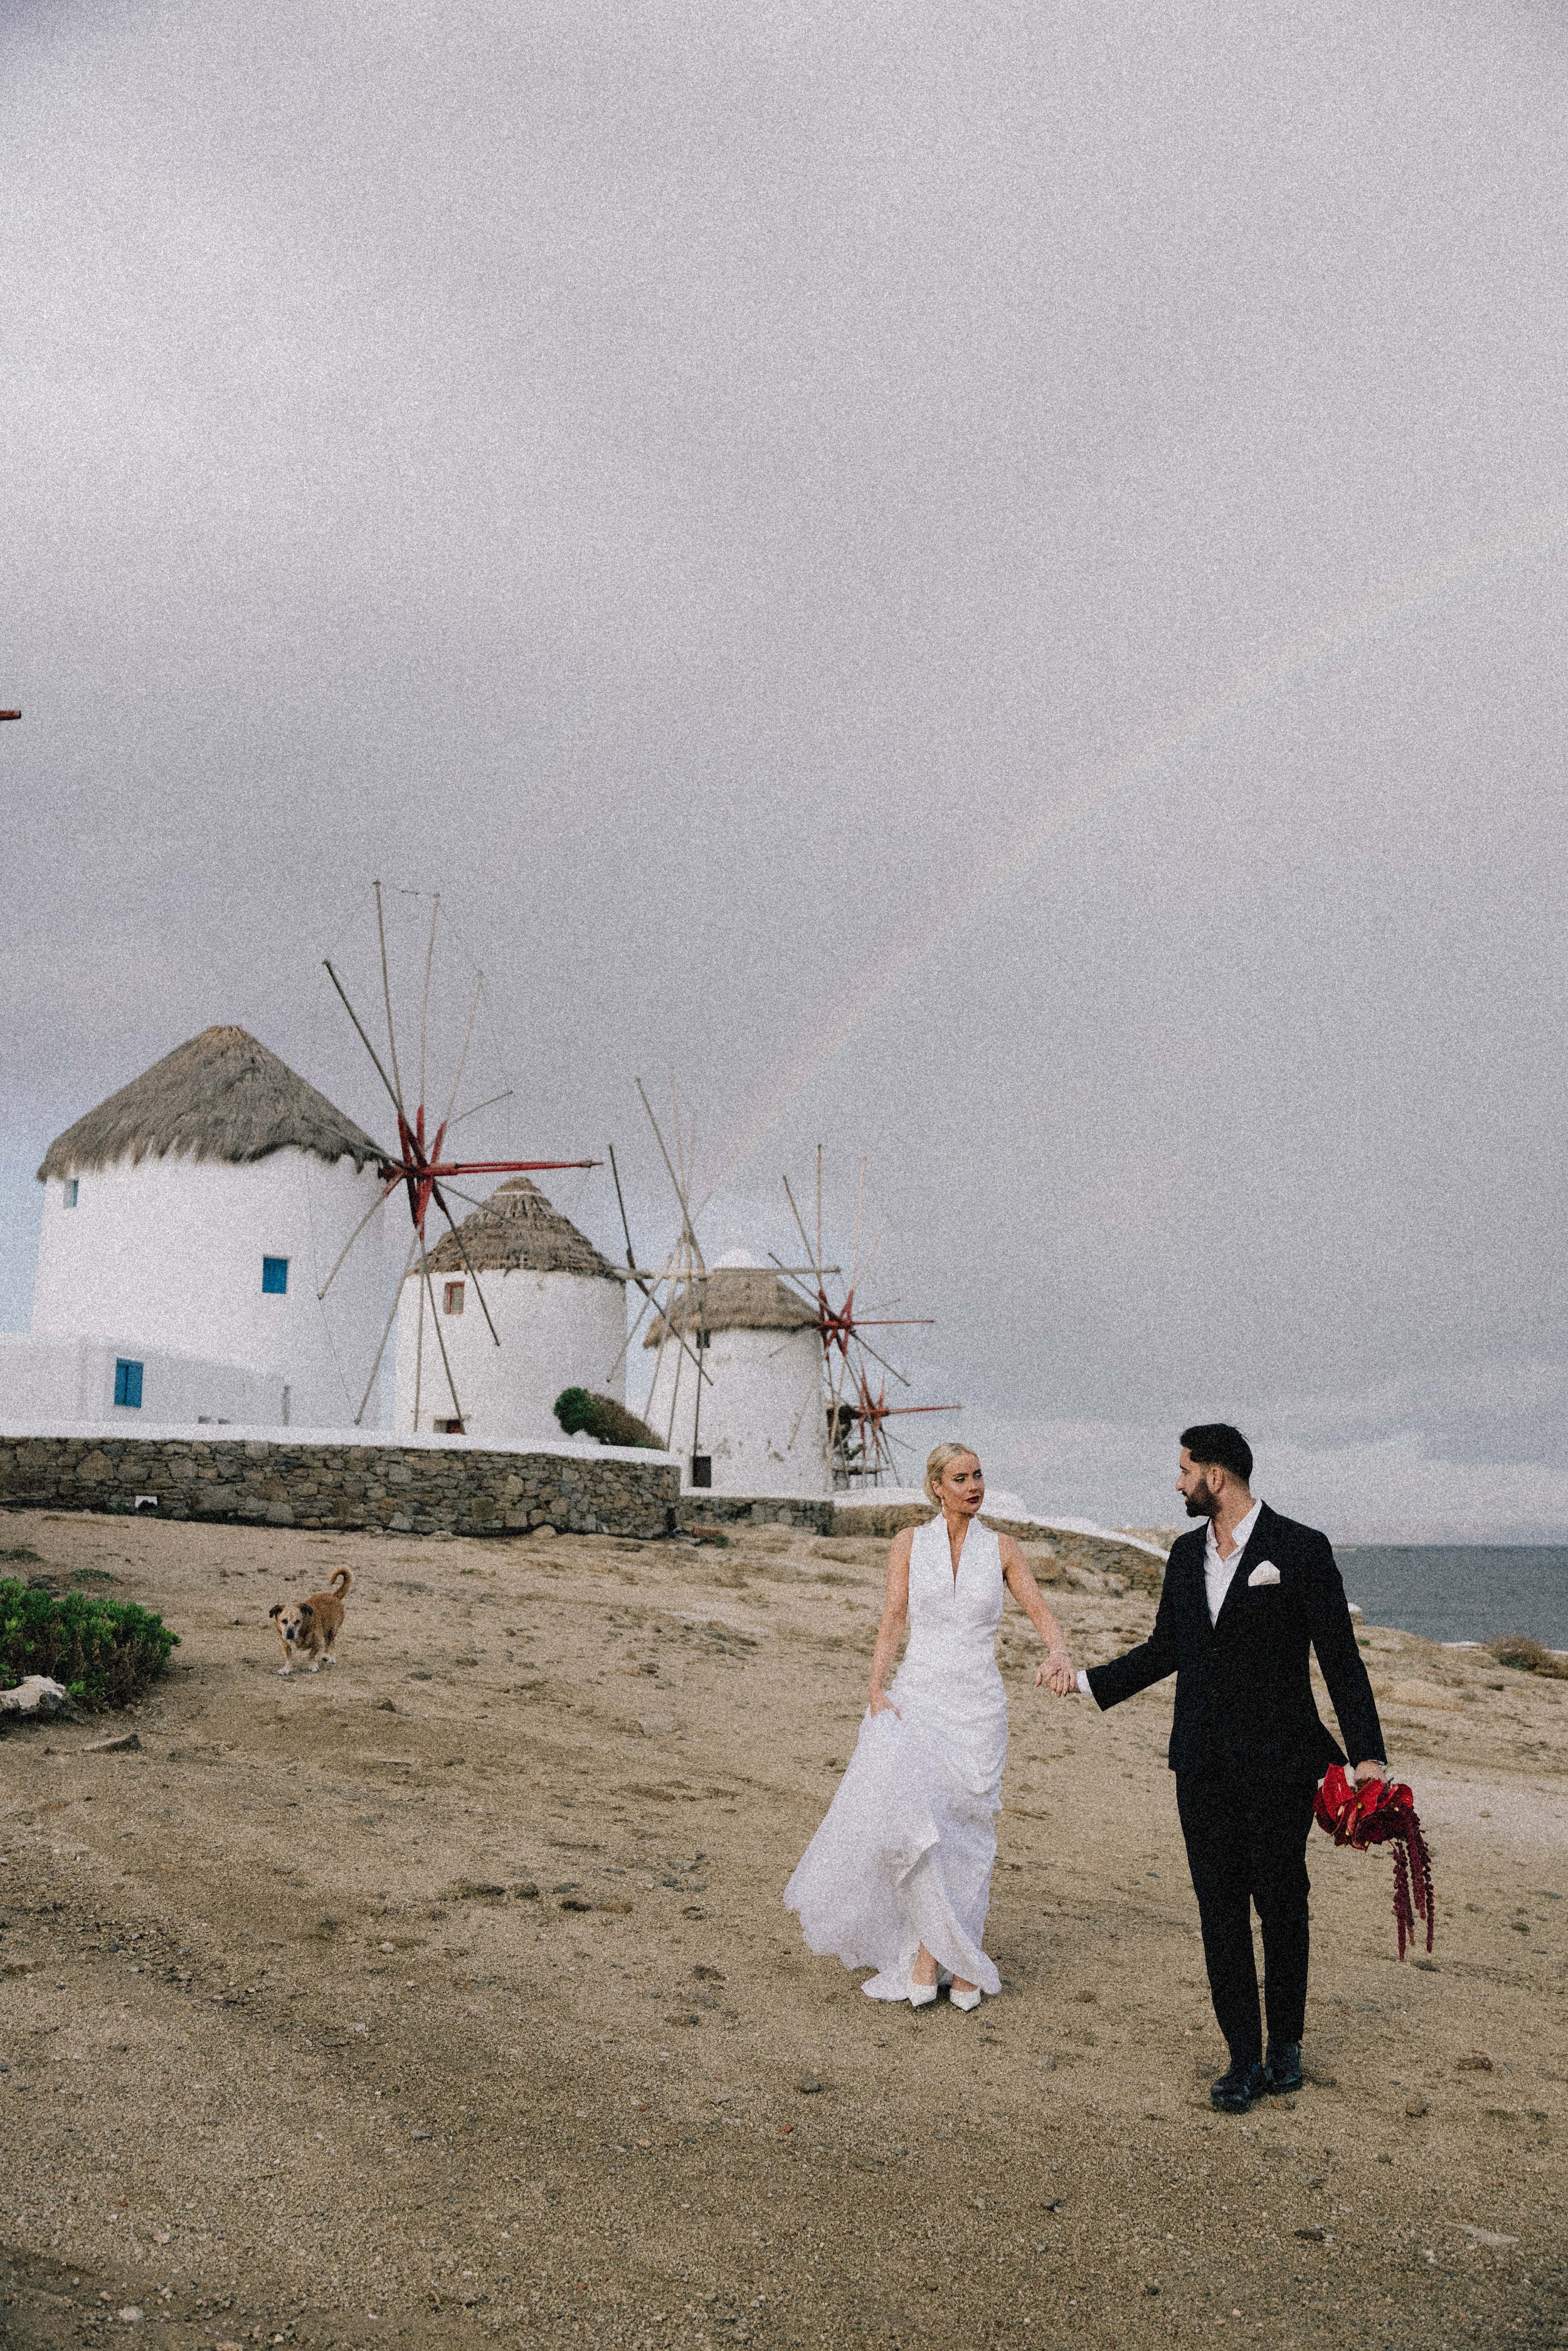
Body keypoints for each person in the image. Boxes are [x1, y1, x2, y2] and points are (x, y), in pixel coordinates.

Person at [1052, 1423, 1389, 2112]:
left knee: (1281, 1899)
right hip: (1200, 1760)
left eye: (1184, 1470)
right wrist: (1087, 1682)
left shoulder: (1299, 1548)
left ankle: (1285, 2044)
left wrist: (1366, 1754)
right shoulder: (1182, 1555)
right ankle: (1242, 2059)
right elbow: (1164, 1648)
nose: (1177, 1483)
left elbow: (1339, 1657)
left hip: (1281, 1760)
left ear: (1217, 1475)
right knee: (1218, 1909)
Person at [785, 1442, 1076, 2010]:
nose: (973, 1485)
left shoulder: (1003, 1548)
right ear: (936, 1487)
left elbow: (1039, 1610)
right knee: (923, 1825)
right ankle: (927, 1952)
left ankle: (961, 1955)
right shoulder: (909, 1543)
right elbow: (893, 1616)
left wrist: (1058, 1652)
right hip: (919, 1696)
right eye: (960, 1477)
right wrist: (876, 1685)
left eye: (979, 1475)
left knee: (972, 1831)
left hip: (980, 1705)